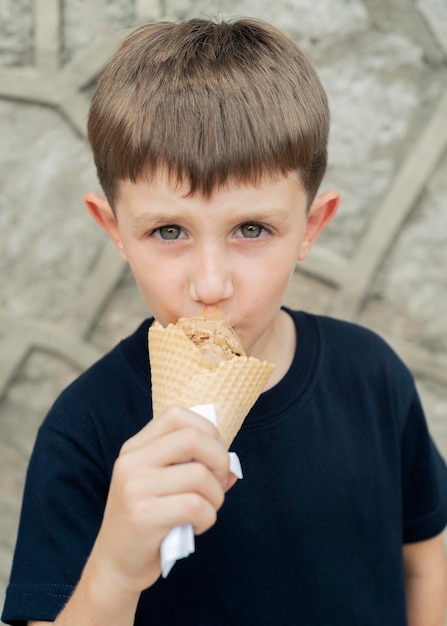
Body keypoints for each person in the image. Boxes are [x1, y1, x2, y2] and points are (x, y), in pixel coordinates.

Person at [2, 16, 447, 626]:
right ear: (115, 232)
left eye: (252, 229)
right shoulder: (85, 430)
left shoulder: (371, 376)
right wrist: (114, 571)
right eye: (168, 231)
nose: (210, 284)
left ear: (311, 228)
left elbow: (424, 561)